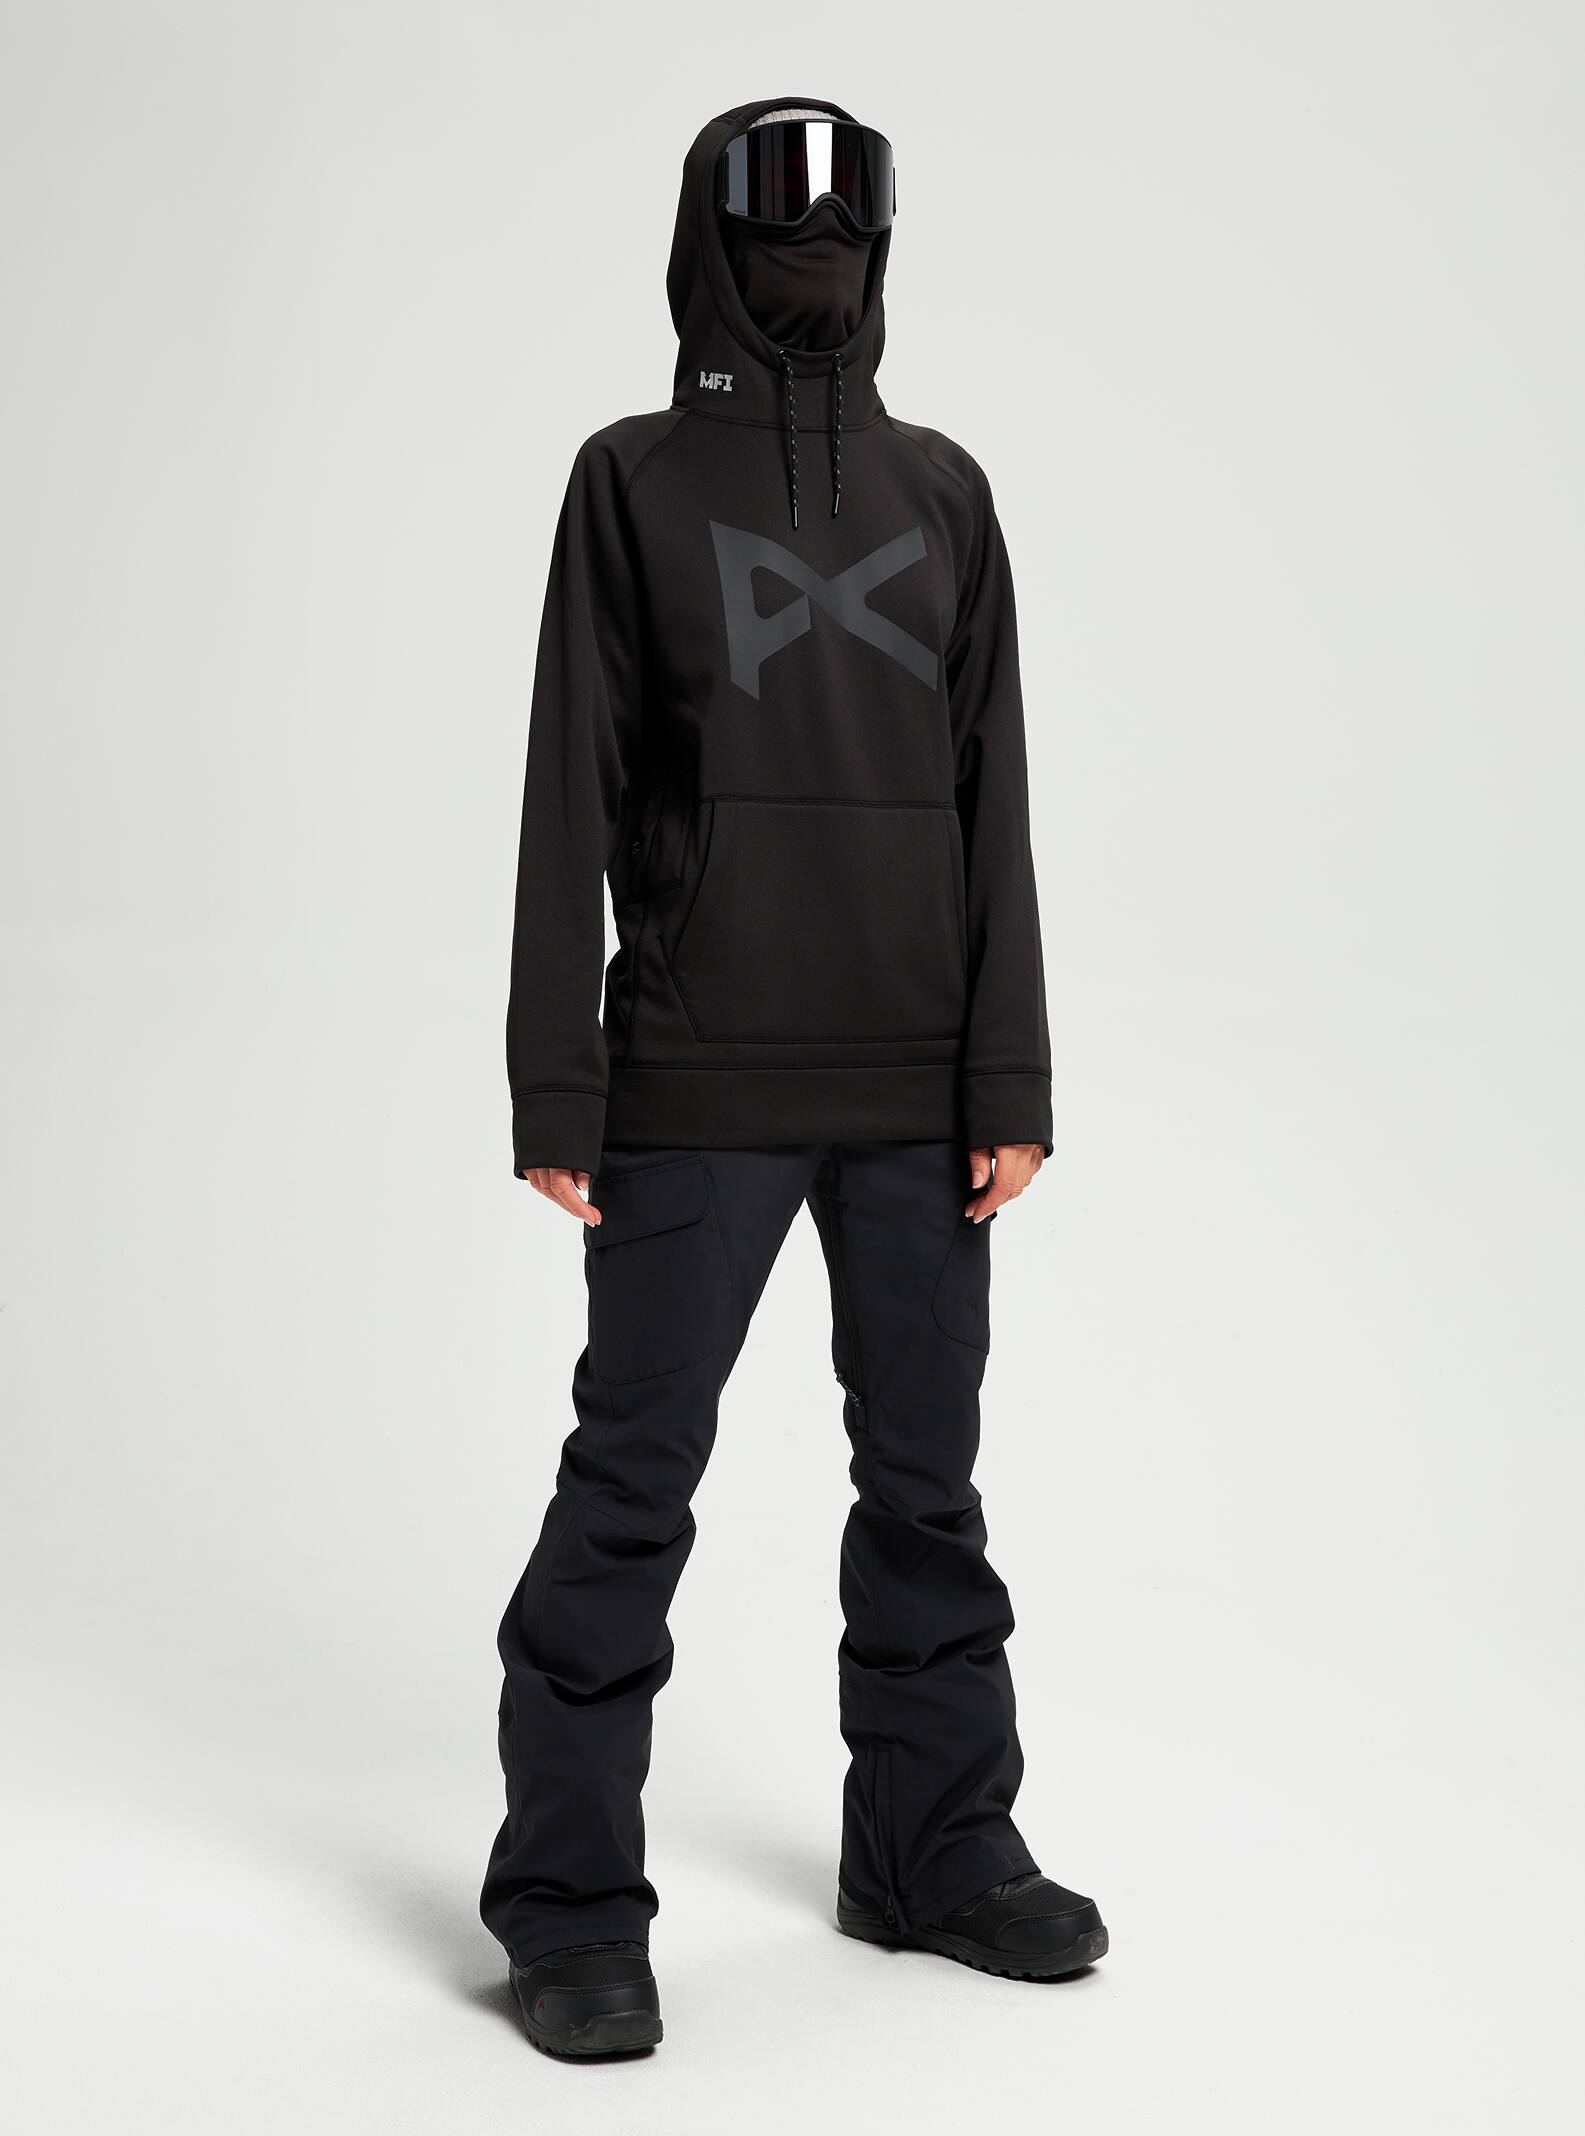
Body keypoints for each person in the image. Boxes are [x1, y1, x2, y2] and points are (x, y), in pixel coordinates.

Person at [482, 98, 1107, 2059]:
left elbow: (993, 795)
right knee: (630, 1490)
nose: (809, 245)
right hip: (695, 1069)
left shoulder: (945, 491)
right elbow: (568, 782)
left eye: (844, 211)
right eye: (773, 212)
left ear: (886, 238)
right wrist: (557, 1080)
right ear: (708, 237)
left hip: (920, 1081)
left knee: (928, 1488)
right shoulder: (629, 480)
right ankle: (568, 1905)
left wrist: (1008, 1071)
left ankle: (931, 1849)